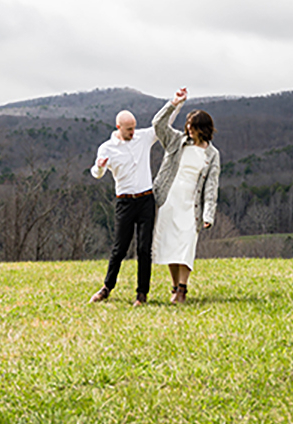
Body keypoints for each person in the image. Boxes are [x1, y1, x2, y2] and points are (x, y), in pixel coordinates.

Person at [151, 87, 220, 305]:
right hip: (169, 201)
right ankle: (174, 287)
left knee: (187, 244)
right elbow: (158, 124)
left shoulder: (212, 154)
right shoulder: (176, 141)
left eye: (194, 126)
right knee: (171, 245)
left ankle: (183, 289)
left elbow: (211, 186)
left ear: (203, 129)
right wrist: (174, 103)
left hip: (191, 206)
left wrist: (208, 214)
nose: (189, 129)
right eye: (188, 125)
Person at [88, 107, 160, 306]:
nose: (132, 132)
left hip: (146, 199)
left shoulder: (142, 138)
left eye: (134, 128)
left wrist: (176, 102)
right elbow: (96, 173)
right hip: (125, 202)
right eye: (128, 129)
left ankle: (142, 294)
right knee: (119, 249)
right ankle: (107, 288)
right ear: (118, 127)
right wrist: (100, 166)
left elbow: (161, 122)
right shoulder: (107, 148)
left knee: (144, 248)